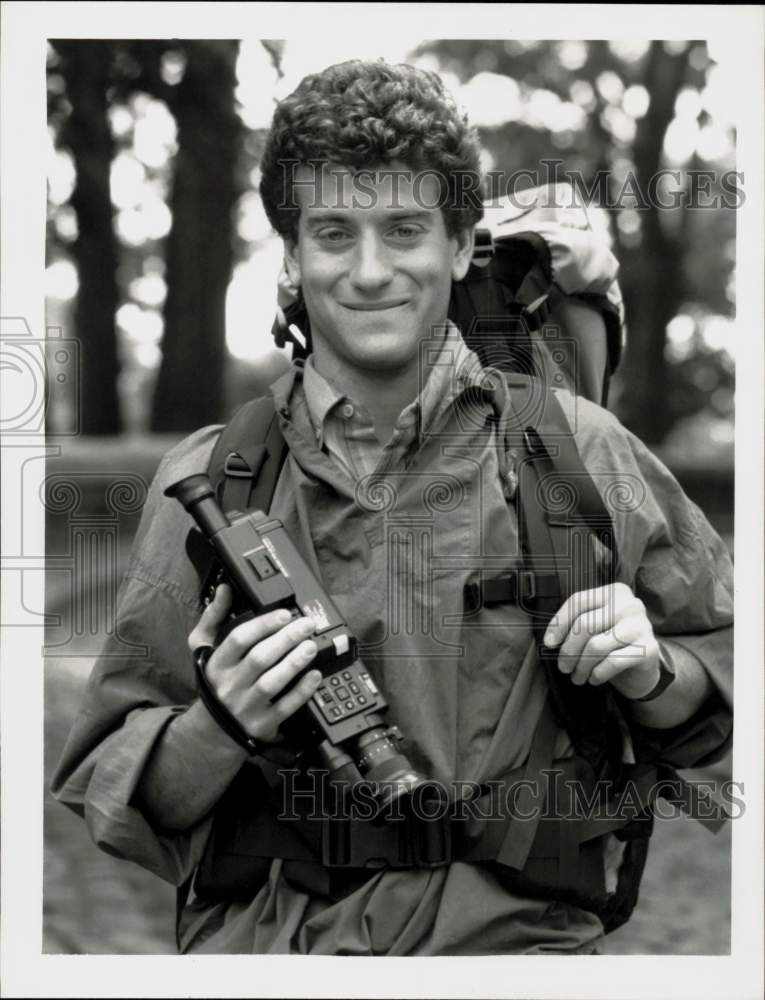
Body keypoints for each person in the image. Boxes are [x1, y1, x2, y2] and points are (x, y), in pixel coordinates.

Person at [52, 59, 733, 956]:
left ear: (457, 246)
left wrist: (650, 671)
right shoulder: (211, 481)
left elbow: (721, 687)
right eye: (333, 233)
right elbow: (119, 792)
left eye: (404, 229)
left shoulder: (581, 450)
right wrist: (221, 721)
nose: (370, 271)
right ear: (292, 259)